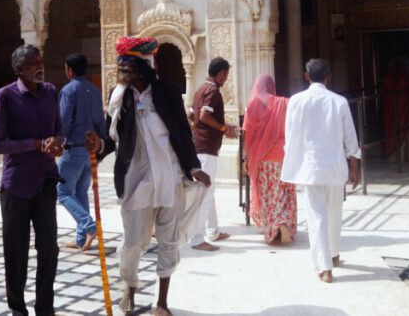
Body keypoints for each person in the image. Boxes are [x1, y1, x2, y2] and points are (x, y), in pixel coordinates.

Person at [97, 36, 211, 316]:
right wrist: (98, 146)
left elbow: (182, 133)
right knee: (133, 241)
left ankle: (161, 302)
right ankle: (130, 287)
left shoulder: (167, 93)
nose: (122, 71)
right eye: (120, 66)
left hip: (169, 178)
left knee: (168, 240)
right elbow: (109, 137)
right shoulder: (118, 97)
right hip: (136, 182)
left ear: (145, 68)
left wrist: (194, 167)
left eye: (127, 66)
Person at [0, 44, 63, 316]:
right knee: (16, 252)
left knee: (49, 249)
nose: (39, 67)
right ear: (20, 70)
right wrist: (35, 144)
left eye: (40, 61)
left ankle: (45, 307)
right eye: (33, 63)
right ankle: (17, 308)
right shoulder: (5, 97)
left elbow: (58, 129)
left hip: (45, 181)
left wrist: (58, 141)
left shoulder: (50, 92)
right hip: (16, 186)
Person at [281, 59, 361, 283]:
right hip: (335, 166)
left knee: (316, 216)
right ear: (329, 76)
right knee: (335, 212)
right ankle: (332, 255)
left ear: (306, 76)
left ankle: (326, 265)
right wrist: (354, 165)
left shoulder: (296, 101)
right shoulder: (339, 102)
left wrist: (293, 160)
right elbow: (350, 137)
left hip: (310, 167)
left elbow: (290, 135)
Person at [57, 52, 107, 252]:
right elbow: (100, 121)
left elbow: (63, 120)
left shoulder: (69, 91)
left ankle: (89, 227)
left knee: (62, 192)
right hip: (90, 151)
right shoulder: (94, 90)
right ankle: (81, 239)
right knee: (80, 192)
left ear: (69, 70)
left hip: (73, 149)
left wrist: (58, 140)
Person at [189, 57, 238, 251]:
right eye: (226, 74)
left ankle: (213, 231)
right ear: (220, 74)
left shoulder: (201, 89)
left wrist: (219, 128)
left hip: (201, 146)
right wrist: (224, 129)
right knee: (205, 192)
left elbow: (192, 115)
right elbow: (203, 116)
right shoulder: (213, 91)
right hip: (206, 148)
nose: (226, 78)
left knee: (208, 190)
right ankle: (197, 239)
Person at [243, 74, 296, 245]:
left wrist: (247, 157)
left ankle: (276, 226)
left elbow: (248, 134)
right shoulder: (284, 103)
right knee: (283, 192)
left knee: (268, 193)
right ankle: (284, 220)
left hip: (263, 158)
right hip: (283, 155)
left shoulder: (252, 106)